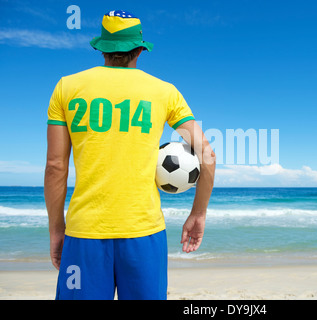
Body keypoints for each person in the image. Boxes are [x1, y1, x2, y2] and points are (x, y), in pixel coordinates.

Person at [44, 10, 216, 300]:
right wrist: (198, 213)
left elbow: (55, 166)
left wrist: (57, 228)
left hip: (84, 232)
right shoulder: (164, 91)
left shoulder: (67, 87)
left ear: (101, 48)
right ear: (139, 49)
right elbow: (206, 154)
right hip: (144, 233)